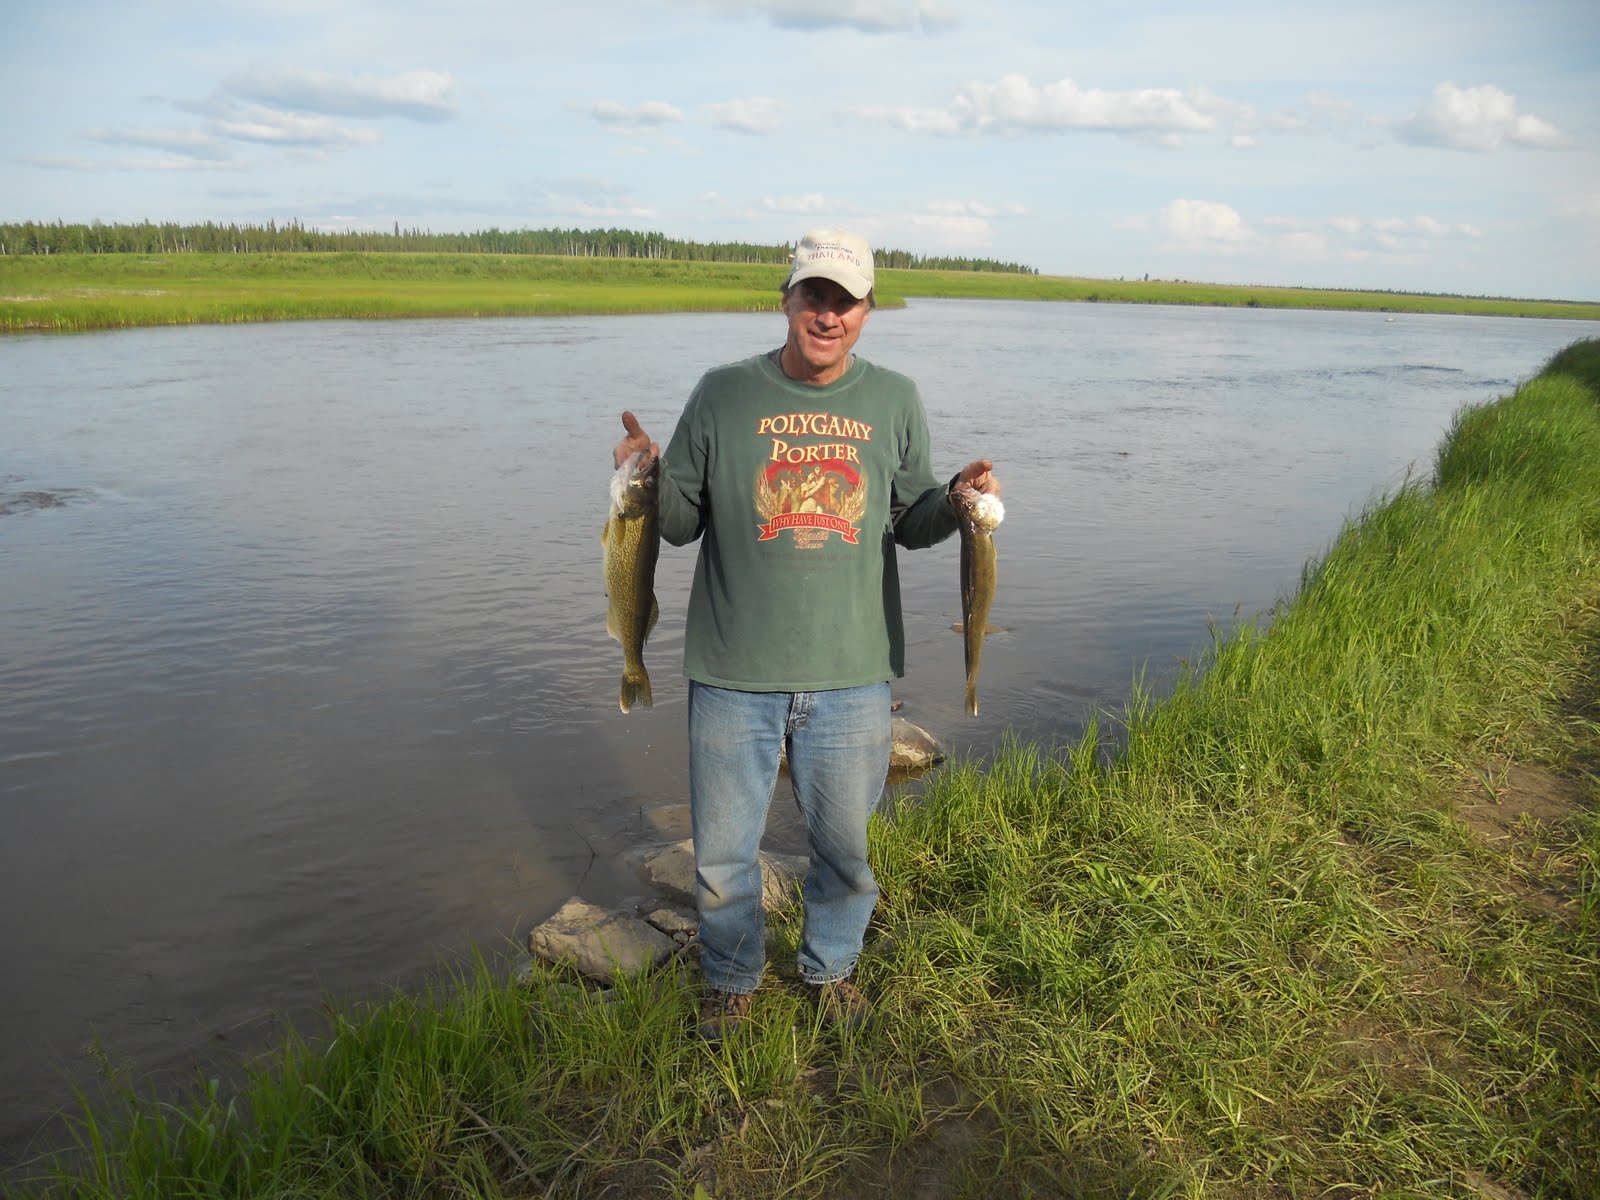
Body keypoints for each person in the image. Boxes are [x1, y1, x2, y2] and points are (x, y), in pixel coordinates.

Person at [611, 229, 1001, 1040]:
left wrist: (956, 499)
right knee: (724, 855)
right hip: (732, 669)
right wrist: (646, 474)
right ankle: (731, 979)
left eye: (845, 301)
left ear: (868, 310)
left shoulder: (893, 399)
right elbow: (677, 523)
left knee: (846, 852)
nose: (829, 315)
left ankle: (832, 970)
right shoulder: (723, 393)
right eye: (814, 296)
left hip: (852, 670)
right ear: (786, 299)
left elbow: (910, 518)